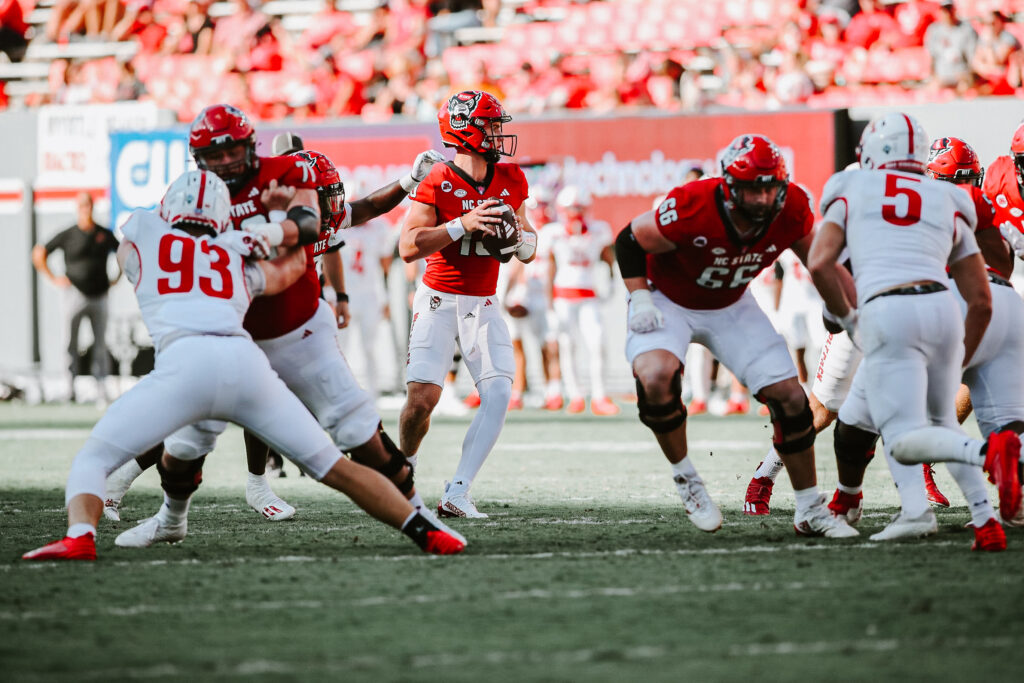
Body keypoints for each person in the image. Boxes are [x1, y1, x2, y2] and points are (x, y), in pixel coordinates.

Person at [22, 171, 465, 561]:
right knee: (334, 466)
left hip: (185, 368)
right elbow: (287, 269)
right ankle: (426, 533)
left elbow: (136, 248)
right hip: (245, 365)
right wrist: (282, 221)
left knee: (93, 459)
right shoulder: (238, 246)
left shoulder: (142, 233)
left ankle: (80, 536)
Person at [104, 104, 445, 528]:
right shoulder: (244, 209)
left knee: (289, 407)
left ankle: (257, 484)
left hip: (285, 327)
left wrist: (410, 182)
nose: (330, 203)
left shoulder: (314, 211)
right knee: (188, 415)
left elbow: (362, 209)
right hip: (228, 325)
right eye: (321, 194)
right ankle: (125, 484)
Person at [615, 133, 855, 537]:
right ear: (728, 184)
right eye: (750, 189)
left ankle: (810, 508)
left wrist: (847, 311)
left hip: (730, 302)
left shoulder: (792, 206)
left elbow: (819, 261)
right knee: (655, 378)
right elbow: (629, 239)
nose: (761, 199)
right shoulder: (694, 202)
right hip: (668, 297)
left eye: (768, 188)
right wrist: (639, 297)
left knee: (792, 398)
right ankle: (687, 479)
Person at [808, 112, 1021, 533]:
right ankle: (987, 518)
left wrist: (843, 318)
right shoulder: (959, 199)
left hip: (903, 310)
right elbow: (991, 280)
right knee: (1002, 423)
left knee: (891, 430)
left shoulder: (850, 185)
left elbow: (824, 263)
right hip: (996, 307)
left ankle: (915, 509)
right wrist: (960, 355)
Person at [399, 90, 537, 518]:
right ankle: (403, 471)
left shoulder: (511, 178)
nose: (498, 134)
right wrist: (461, 225)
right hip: (439, 298)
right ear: (463, 130)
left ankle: (457, 490)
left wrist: (519, 240)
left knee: (497, 393)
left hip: (484, 300)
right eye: (490, 125)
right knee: (422, 399)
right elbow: (408, 246)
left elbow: (529, 244)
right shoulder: (437, 178)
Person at [32, 192, 119, 405]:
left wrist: (116, 279)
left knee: (100, 343)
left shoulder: (103, 234)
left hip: (99, 295)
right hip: (75, 294)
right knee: (70, 342)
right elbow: (39, 252)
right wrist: (54, 278)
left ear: (92, 207)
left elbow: (123, 253)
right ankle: (69, 389)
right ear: (77, 209)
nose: (85, 209)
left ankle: (101, 390)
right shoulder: (69, 234)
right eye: (82, 206)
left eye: (88, 205)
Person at [546, 185, 618, 416]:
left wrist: (612, 281)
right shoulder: (554, 231)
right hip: (563, 296)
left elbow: (608, 258)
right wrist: (549, 305)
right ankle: (575, 395)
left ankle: (599, 395)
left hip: (588, 295)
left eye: (579, 206)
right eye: (571, 207)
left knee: (597, 343)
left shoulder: (599, 229)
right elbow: (550, 266)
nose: (575, 211)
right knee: (568, 346)